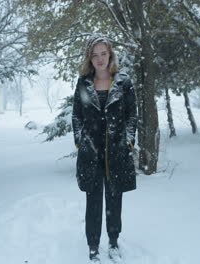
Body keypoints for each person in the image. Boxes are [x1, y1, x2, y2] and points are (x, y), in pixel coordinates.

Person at [72, 35, 137, 263]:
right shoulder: (83, 83)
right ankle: (93, 245)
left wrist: (128, 140)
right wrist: (81, 141)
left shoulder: (123, 82)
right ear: (89, 58)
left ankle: (113, 240)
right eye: (95, 54)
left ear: (110, 55)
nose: (100, 59)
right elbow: (77, 115)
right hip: (91, 153)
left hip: (116, 151)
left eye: (103, 53)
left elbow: (131, 115)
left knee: (114, 198)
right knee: (93, 199)